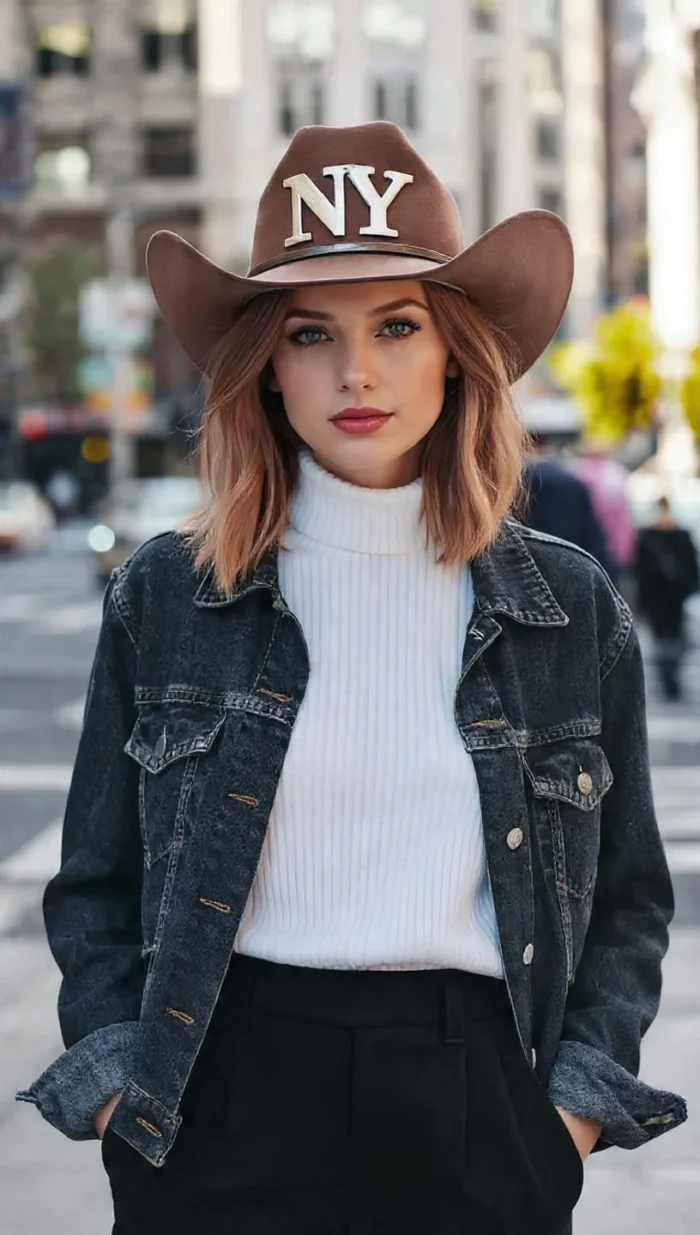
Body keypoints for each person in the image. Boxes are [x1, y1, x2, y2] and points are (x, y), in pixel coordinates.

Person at [16, 123, 685, 1235]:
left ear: (457, 348)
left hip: (477, 1100)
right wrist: (115, 1091)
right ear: (265, 367)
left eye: (398, 324)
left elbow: (626, 901)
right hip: (215, 1090)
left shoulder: (567, 608)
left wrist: (561, 1116)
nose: (355, 371)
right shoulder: (170, 595)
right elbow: (96, 879)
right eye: (310, 332)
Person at [521, 438, 617, 580]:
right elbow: (592, 535)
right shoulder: (572, 481)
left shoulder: (521, 482)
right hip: (570, 563)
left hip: (527, 565)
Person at [636, 496, 699, 700]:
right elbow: (691, 568)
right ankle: (671, 675)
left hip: (657, 597)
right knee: (674, 636)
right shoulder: (681, 534)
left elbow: (640, 572)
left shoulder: (647, 535)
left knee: (661, 637)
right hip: (675, 596)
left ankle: (667, 674)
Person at [573, 443, 637, 586]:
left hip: (586, 545)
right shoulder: (617, 473)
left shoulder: (577, 472)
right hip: (615, 546)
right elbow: (625, 515)